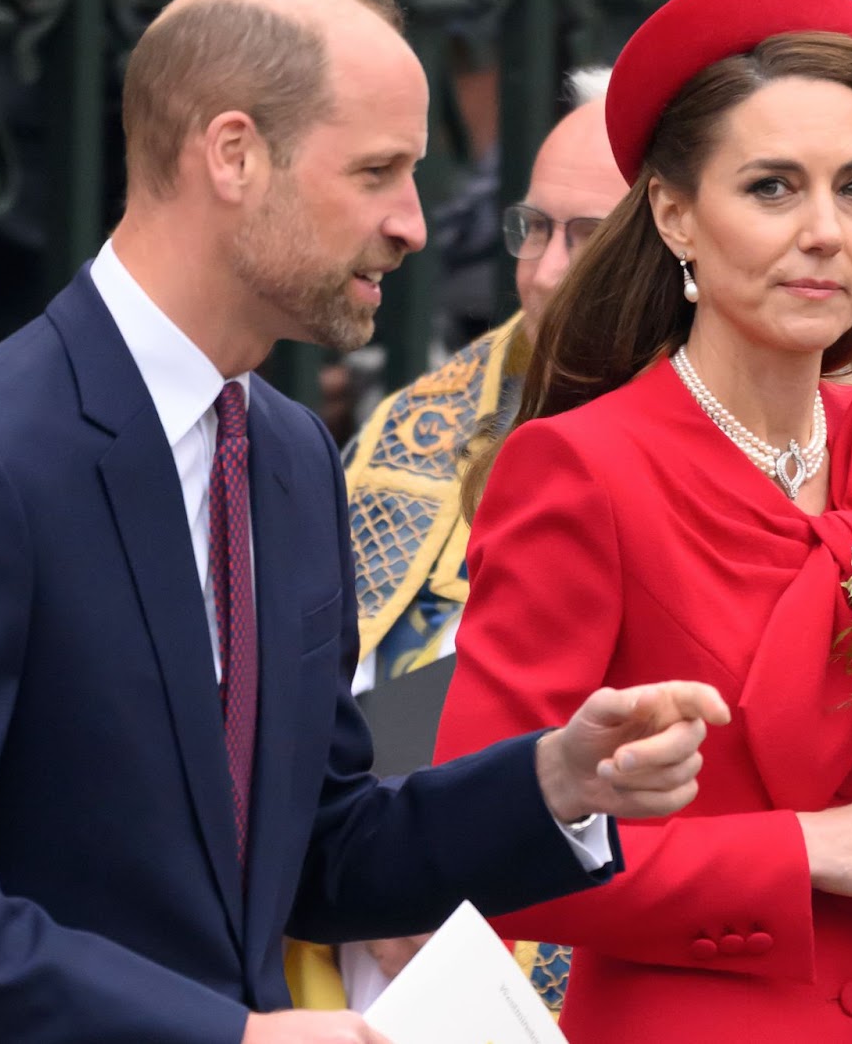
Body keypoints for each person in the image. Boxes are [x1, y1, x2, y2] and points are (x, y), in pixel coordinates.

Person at [0, 0, 731, 1044]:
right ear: (233, 154)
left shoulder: (289, 454)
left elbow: (315, 844)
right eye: (378, 171)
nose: (415, 224)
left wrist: (554, 778)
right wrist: (224, 1036)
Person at [434, 0, 852, 1043]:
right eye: (772, 187)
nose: (827, 233)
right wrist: (801, 849)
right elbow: (485, 845)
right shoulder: (581, 468)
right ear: (672, 213)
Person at [298, 67, 625, 1014]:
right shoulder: (419, 429)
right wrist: (362, 871)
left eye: (591, 238)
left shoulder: (792, 446)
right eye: (535, 230)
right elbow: (297, 717)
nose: (549, 273)